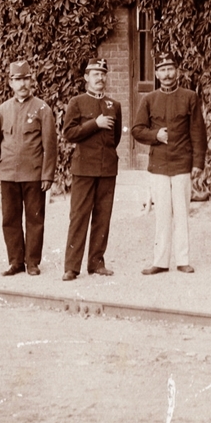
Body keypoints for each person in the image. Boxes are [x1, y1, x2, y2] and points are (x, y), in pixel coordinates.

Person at [132, 53, 206, 275]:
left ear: (177, 72)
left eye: (170, 69)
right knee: (162, 213)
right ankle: (161, 261)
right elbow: (137, 130)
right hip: (159, 166)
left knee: (182, 212)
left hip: (182, 162)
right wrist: (156, 135)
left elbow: (198, 131)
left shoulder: (190, 97)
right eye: (162, 70)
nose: (167, 74)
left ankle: (183, 259)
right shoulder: (149, 100)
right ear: (156, 74)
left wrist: (198, 163)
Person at [0, 60, 57, 276]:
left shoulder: (42, 109)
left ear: (31, 80)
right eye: (17, 80)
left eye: (25, 78)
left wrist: (47, 175)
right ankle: (16, 261)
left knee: (35, 218)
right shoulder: (2, 110)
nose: (22, 84)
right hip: (7, 173)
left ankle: (33, 262)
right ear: (10, 83)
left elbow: (50, 145)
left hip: (33, 173)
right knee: (10, 219)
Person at [62, 58, 122, 280]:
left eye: (103, 73)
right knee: (79, 216)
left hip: (107, 168)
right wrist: (93, 124)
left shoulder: (113, 105)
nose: (100, 78)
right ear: (86, 78)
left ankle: (96, 263)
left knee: (103, 216)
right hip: (84, 168)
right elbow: (69, 133)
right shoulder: (76, 102)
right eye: (95, 74)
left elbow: (115, 139)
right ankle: (71, 267)